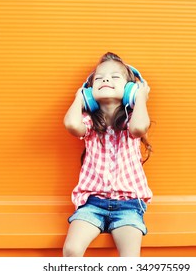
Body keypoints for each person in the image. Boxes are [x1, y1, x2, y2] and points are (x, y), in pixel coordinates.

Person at [63, 52, 153, 257]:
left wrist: (140, 97)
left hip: (129, 205)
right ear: (89, 91)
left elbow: (139, 128)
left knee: (130, 258)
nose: (106, 79)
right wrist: (80, 97)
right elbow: (70, 124)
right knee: (71, 249)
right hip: (93, 204)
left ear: (129, 89)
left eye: (114, 77)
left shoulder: (132, 119)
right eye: (100, 78)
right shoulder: (90, 122)